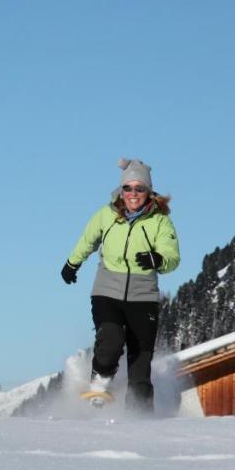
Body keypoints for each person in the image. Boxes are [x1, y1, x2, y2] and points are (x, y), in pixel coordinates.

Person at [61, 158, 180, 412]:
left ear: (149, 192)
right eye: (128, 188)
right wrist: (72, 263)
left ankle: (140, 417)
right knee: (111, 341)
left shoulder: (160, 221)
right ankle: (100, 379)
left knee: (140, 363)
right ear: (121, 190)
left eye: (139, 188)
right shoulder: (106, 215)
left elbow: (172, 257)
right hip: (108, 290)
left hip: (143, 295)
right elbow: (88, 240)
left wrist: (157, 259)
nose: (133, 194)